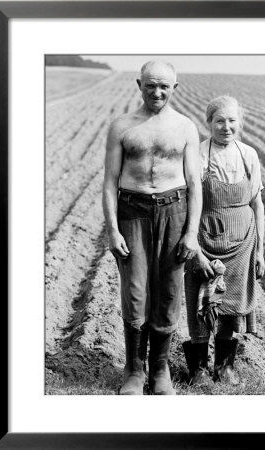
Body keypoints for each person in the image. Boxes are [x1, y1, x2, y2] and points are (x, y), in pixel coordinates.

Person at [102, 61, 202, 395]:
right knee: (135, 290)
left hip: (174, 211)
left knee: (169, 290)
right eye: (150, 85)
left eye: (164, 86)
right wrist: (112, 230)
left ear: (176, 87)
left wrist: (191, 233)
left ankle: (160, 370)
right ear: (138, 84)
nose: (157, 92)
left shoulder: (186, 128)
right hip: (133, 212)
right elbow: (108, 183)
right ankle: (134, 370)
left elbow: (194, 185)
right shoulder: (122, 126)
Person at [183, 95, 265, 386]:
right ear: (209, 123)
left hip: (242, 242)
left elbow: (257, 204)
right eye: (219, 121)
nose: (226, 127)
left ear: (240, 123)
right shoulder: (198, 154)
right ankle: (198, 370)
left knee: (231, 305)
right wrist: (192, 244)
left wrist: (260, 251)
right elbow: (188, 199)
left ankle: (225, 367)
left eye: (232, 121)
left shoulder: (249, 155)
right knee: (200, 303)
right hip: (205, 239)